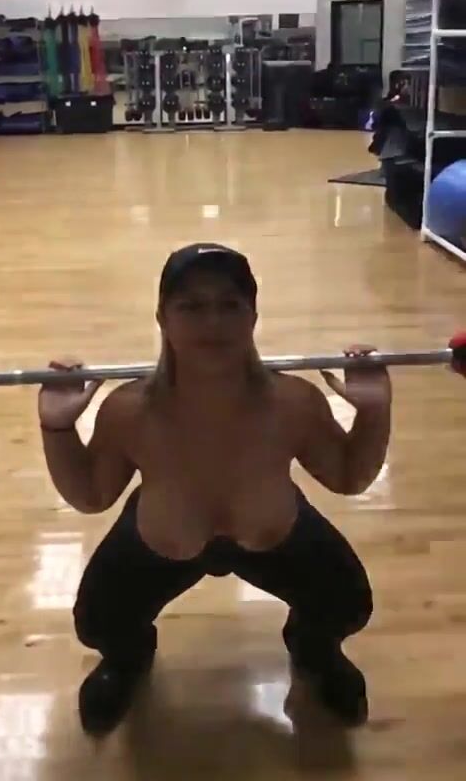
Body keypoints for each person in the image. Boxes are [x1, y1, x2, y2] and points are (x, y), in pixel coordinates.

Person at [39, 243, 392, 735]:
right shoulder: (129, 409)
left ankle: (314, 650)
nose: (213, 323)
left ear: (253, 316)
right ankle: (127, 658)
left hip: (274, 531)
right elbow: (91, 497)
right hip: (162, 537)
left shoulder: (293, 401)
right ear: (162, 318)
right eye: (192, 307)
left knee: (347, 604)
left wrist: (373, 412)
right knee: (98, 622)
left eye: (230, 305)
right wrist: (57, 428)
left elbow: (350, 478)